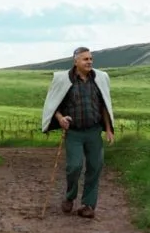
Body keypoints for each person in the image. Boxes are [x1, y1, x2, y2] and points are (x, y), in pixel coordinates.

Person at [40, 46, 116, 218]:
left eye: (90, 59)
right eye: (85, 59)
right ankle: (69, 197)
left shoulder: (100, 78)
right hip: (73, 132)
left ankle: (88, 205)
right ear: (76, 61)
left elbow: (104, 104)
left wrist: (109, 129)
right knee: (74, 167)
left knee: (95, 167)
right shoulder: (63, 79)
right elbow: (54, 106)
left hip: (94, 131)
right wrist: (60, 118)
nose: (89, 62)